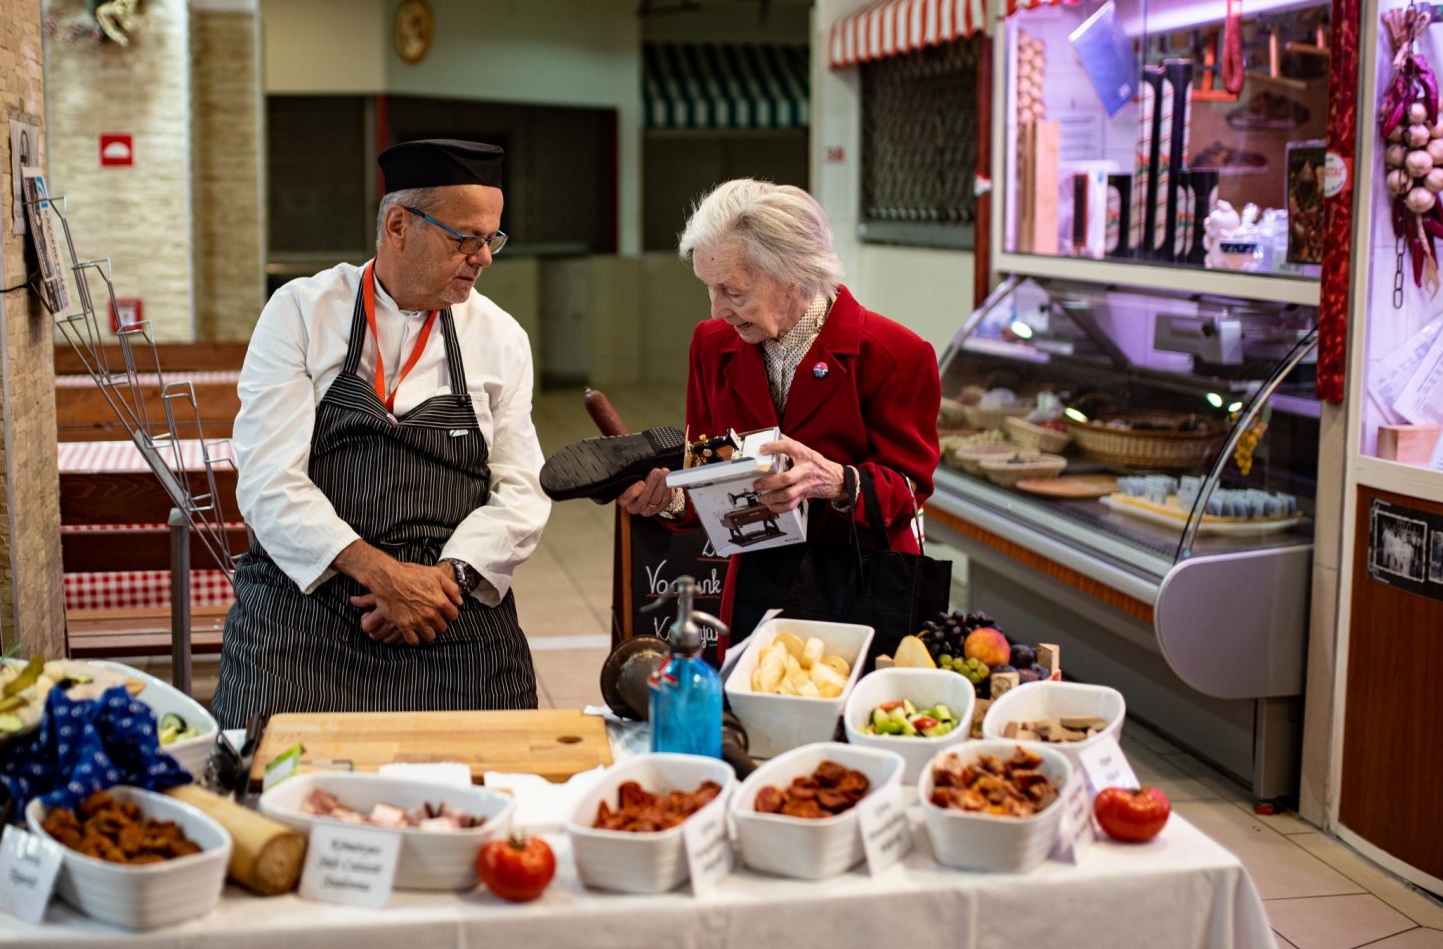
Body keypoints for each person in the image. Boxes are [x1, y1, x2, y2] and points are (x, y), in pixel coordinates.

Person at [213, 139, 548, 729]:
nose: (483, 257)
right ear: (398, 224)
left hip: (449, 615)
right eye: (464, 238)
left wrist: (439, 584)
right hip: (308, 612)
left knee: (491, 790)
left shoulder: (500, 336)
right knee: (265, 784)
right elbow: (268, 481)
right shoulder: (301, 312)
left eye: (491, 238)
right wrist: (384, 576)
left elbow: (522, 491)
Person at [618, 178, 941, 650]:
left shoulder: (894, 354)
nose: (717, 309)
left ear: (794, 273)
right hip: (757, 585)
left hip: (860, 586)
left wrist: (835, 481)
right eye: (709, 288)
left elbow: (909, 492)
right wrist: (667, 497)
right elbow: (711, 477)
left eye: (732, 290)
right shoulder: (711, 345)